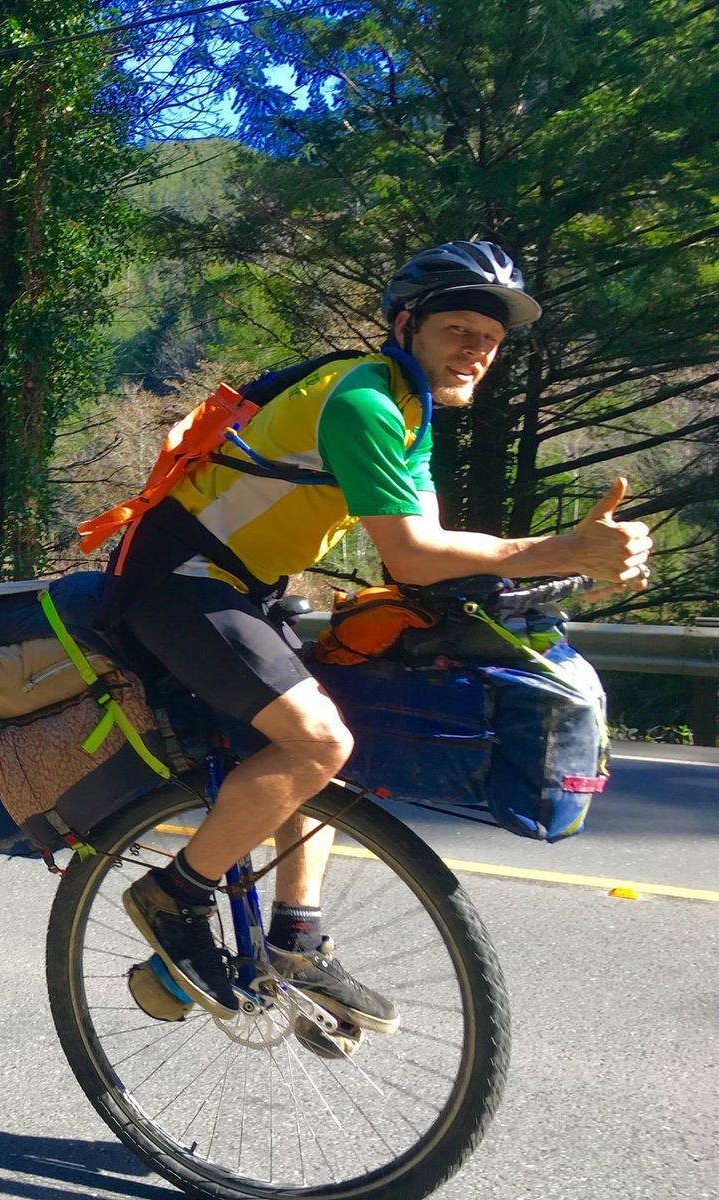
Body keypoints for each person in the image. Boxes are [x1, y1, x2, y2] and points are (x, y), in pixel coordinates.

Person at [109, 240, 653, 1035]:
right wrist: (567, 549)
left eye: (490, 340)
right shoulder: (363, 401)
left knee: (329, 740)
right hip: (177, 579)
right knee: (316, 741)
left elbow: (434, 545)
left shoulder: (408, 409)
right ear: (407, 327)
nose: (477, 350)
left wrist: (564, 564)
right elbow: (412, 556)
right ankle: (173, 894)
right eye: (458, 331)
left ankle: (295, 941)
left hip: (241, 588)